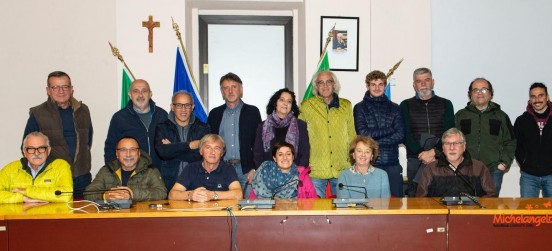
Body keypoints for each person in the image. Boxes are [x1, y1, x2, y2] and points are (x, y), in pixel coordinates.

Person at [23, 71, 92, 199]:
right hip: (53, 179)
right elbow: (28, 147)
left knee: (83, 216)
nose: (61, 91)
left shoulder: (83, 110)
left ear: (71, 89)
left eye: (65, 87)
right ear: (48, 90)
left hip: (81, 177)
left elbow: (87, 140)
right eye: (55, 87)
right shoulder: (38, 113)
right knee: (55, 217)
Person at [299, 71, 356, 198]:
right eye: (321, 82)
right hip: (316, 169)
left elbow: (352, 134)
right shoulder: (306, 106)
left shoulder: (346, 105)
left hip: (342, 168)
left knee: (343, 210)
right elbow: (300, 138)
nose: (325, 86)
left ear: (334, 84)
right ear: (316, 86)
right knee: (316, 211)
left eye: (329, 82)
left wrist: (352, 161)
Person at [455, 78, 516, 196]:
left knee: (490, 208)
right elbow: (453, 141)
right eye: (475, 90)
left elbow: (510, 141)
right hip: (467, 170)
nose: (479, 93)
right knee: (466, 207)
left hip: (493, 170)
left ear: (490, 94)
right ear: (470, 95)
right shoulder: (460, 116)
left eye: (484, 89)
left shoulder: (501, 116)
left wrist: (503, 164)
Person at [400, 67, 455, 197]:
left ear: (433, 82)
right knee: (415, 198)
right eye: (419, 81)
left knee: (441, 197)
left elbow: (450, 133)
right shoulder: (405, 105)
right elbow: (405, 134)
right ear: (414, 85)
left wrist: (434, 152)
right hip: (415, 159)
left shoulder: (446, 104)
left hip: (441, 158)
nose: (423, 84)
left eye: (427, 80)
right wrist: (423, 154)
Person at [207, 73, 261, 198]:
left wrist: (254, 168)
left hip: (246, 170)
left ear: (241, 90)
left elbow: (259, 143)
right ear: (222, 92)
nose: (230, 91)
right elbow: (209, 143)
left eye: (234, 87)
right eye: (226, 88)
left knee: (248, 209)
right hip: (221, 169)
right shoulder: (214, 114)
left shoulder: (252, 112)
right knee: (223, 208)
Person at [353, 70, 405, 197]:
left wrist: (374, 143)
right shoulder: (359, 107)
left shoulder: (395, 108)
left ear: (385, 86)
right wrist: (390, 129)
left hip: (391, 163)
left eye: (380, 84)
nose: (377, 88)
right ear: (367, 86)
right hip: (369, 165)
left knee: (395, 204)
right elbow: (363, 133)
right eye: (373, 84)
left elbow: (400, 135)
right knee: (369, 203)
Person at [104, 79, 168, 169]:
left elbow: (172, 145)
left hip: (160, 174)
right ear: (130, 95)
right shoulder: (119, 118)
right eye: (136, 91)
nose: (140, 95)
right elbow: (110, 149)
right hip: (131, 176)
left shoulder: (162, 115)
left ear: (150, 94)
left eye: (144, 91)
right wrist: (115, 174)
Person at [416, 128, 496, 197]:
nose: (452, 148)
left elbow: (491, 196)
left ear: (464, 147)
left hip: (471, 213)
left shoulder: (479, 168)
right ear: (442, 148)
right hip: (441, 213)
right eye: (447, 144)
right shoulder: (431, 169)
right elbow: (421, 198)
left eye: (456, 143)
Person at [155, 91, 210, 190]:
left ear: (192, 107)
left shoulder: (203, 128)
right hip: (170, 183)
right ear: (172, 107)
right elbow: (163, 152)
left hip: (197, 182)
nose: (183, 109)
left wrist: (173, 148)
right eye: (179, 105)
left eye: (187, 105)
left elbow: (201, 155)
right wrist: (189, 145)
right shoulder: (162, 128)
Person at [85, 137, 167, 202]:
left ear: (139, 153)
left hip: (139, 217)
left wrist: (132, 194)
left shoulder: (150, 170)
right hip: (112, 217)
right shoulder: (106, 170)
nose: (128, 154)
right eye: (123, 150)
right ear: (117, 154)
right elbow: (88, 193)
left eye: (132, 149)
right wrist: (105, 196)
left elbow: (161, 193)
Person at [0, 132, 73, 203]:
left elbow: (66, 194)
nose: (36, 153)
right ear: (24, 152)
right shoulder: (11, 169)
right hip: (21, 215)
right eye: (31, 149)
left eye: (41, 148)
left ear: (49, 150)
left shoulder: (60, 166)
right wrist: (22, 198)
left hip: (52, 215)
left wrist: (26, 191)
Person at [168, 134, 243, 202]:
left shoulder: (228, 169)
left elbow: (238, 194)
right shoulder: (191, 168)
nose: (212, 152)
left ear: (222, 153)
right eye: (208, 147)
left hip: (219, 214)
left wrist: (212, 195)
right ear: (201, 151)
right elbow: (172, 195)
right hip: (195, 214)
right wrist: (191, 195)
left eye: (217, 148)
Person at [253, 88, 310, 168]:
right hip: (269, 174)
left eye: (289, 101)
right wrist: (265, 173)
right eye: (282, 100)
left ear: (292, 106)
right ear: (275, 103)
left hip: (294, 175)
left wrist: (298, 173)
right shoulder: (263, 126)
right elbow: (258, 154)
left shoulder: (300, 125)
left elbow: (305, 153)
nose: (285, 103)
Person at [514, 82, 552, 197]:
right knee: (527, 212)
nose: (537, 99)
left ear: (547, 97)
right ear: (530, 99)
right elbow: (516, 145)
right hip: (529, 176)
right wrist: (524, 163)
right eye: (533, 96)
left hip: (551, 175)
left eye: (541, 95)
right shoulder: (522, 120)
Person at [250, 142, 317, 199]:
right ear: (275, 158)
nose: (285, 157)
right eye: (280, 154)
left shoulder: (302, 175)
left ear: (293, 157)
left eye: (288, 154)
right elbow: (252, 203)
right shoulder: (264, 172)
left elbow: (313, 201)